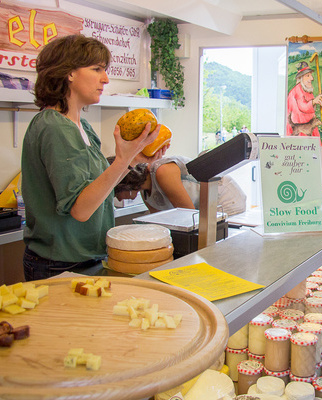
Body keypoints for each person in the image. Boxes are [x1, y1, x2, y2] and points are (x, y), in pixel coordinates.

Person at [20, 35, 163, 281]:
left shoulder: (81, 126)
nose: (105, 79)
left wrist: (133, 159)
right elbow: (81, 209)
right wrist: (122, 160)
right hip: (59, 264)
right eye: (96, 69)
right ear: (69, 73)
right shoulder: (54, 127)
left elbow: (96, 187)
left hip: (86, 257)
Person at [113, 155, 247, 216]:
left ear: (124, 184)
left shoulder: (162, 172)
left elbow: (187, 216)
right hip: (201, 208)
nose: (118, 200)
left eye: (115, 193)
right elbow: (160, 222)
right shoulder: (145, 192)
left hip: (222, 197)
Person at [286, 61, 322, 137]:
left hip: (309, 126)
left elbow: (311, 108)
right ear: (301, 78)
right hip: (300, 130)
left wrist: (319, 102)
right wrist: (314, 101)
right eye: (308, 75)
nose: (312, 78)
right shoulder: (297, 90)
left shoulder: (307, 90)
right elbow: (303, 106)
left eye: (311, 75)